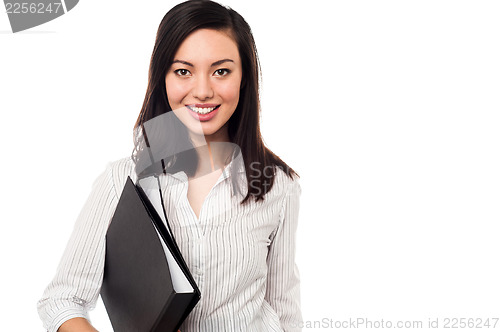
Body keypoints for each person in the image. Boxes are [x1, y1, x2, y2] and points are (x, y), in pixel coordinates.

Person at [37, 0, 303, 331]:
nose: (203, 91)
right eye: (183, 71)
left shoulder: (279, 185)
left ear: (244, 78)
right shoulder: (122, 180)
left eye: (221, 71)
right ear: (162, 76)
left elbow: (284, 312)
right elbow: (63, 300)